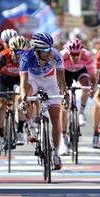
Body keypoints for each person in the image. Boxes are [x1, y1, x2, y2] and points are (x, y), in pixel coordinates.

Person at [19, 32, 68, 170]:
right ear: (37, 50)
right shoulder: (26, 57)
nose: (49, 52)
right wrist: (24, 99)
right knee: (26, 94)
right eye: (46, 50)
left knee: (55, 117)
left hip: (50, 82)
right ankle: (30, 126)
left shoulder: (56, 54)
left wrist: (65, 95)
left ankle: (56, 153)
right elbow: (23, 83)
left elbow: (61, 80)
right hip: (32, 80)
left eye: (50, 49)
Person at [0, 36, 29, 151]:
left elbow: (25, 81)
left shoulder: (25, 58)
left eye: (22, 52)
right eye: (16, 52)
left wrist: (24, 98)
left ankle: (20, 130)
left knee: (21, 99)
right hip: (3, 80)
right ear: (11, 50)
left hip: (18, 80)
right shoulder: (4, 56)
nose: (19, 55)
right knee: (0, 106)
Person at [59, 37, 97, 155]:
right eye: (72, 55)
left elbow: (93, 75)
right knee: (64, 104)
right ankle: (63, 137)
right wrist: (62, 92)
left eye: (77, 54)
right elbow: (59, 77)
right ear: (68, 52)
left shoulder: (87, 55)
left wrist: (93, 88)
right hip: (66, 73)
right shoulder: (62, 55)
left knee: (86, 85)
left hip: (81, 71)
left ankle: (81, 111)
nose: (75, 57)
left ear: (81, 52)